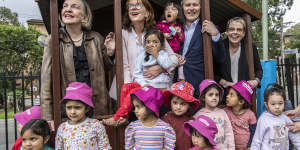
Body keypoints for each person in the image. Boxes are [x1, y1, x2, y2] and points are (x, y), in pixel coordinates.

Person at [103, 0, 181, 126]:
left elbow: (173, 58)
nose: (133, 8)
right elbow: (124, 66)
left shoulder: (156, 33)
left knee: (157, 127)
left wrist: (160, 68)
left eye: (138, 5)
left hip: (157, 90)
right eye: (130, 6)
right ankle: (122, 115)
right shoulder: (122, 34)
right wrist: (132, 95)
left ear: (147, 13)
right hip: (135, 90)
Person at [41, 0, 114, 120]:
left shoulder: (96, 38)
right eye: (65, 6)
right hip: (69, 111)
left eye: (74, 7)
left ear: (84, 17)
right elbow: (46, 81)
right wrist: (48, 118)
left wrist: (110, 53)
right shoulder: (53, 40)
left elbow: (107, 70)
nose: (68, 9)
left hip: (97, 108)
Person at [176, 0, 226, 97]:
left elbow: (221, 58)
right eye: (188, 5)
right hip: (176, 88)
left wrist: (216, 35)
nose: (191, 8)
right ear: (182, 8)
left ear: (200, 7)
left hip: (198, 88)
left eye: (195, 5)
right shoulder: (176, 28)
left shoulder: (209, 28)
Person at [55, 82, 111, 150]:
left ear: (87, 108)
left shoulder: (96, 125)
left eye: (77, 107)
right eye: (69, 107)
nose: (72, 112)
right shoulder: (62, 128)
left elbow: (105, 148)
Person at [215, 17, 262, 89]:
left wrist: (256, 81)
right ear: (227, 32)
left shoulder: (250, 47)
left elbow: (259, 70)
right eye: (231, 29)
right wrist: (225, 83)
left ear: (243, 33)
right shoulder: (220, 46)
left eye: (239, 30)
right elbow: (213, 72)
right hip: (224, 93)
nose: (235, 32)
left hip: (244, 93)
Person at [251, 84, 300, 149]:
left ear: (284, 103)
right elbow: (257, 140)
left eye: (280, 103)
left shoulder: (285, 118)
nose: (277, 107)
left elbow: (294, 136)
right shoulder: (263, 119)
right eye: (273, 104)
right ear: (266, 104)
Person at [194, 79, 235, 150]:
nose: (214, 97)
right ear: (203, 97)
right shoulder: (198, 116)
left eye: (216, 95)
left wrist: (231, 148)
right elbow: (196, 137)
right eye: (211, 95)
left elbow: (229, 133)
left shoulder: (222, 113)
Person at [162, 81, 200, 150]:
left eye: (183, 104)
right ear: (170, 102)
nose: (178, 107)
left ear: (189, 105)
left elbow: (195, 141)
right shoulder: (166, 119)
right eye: (175, 103)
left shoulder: (192, 121)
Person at [223, 81, 257, 150]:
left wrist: (249, 146)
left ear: (241, 101)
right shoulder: (225, 112)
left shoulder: (250, 115)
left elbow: (254, 132)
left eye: (231, 95)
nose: (227, 96)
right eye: (228, 94)